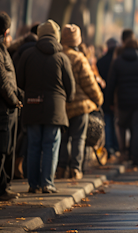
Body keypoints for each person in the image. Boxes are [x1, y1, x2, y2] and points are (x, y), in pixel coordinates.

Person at [17, 19, 75, 193]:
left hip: (32, 106)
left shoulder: (27, 55)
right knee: (51, 145)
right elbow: (70, 86)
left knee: (34, 145)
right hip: (54, 109)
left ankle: (33, 184)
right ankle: (47, 183)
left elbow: (19, 81)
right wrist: (68, 99)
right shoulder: (62, 57)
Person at [57, 25, 103, 179]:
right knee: (78, 138)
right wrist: (98, 99)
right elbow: (89, 83)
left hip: (61, 105)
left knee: (63, 139)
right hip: (80, 106)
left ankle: (61, 168)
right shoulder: (79, 59)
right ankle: (75, 169)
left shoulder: (58, 55)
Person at [105, 39, 138, 168]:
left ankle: (123, 153)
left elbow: (111, 83)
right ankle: (135, 157)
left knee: (122, 126)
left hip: (123, 99)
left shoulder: (117, 62)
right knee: (137, 128)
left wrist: (110, 101)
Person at [0, 12, 23, 201]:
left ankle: (5, 185)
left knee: (7, 147)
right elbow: (2, 80)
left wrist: (19, 93)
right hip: (4, 108)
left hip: (8, 106)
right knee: (3, 148)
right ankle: (1, 188)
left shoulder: (3, 49)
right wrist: (13, 99)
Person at [96, 38, 118, 158]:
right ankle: (116, 146)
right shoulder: (117, 61)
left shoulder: (100, 61)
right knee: (116, 123)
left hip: (103, 95)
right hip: (117, 96)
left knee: (108, 122)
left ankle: (109, 146)